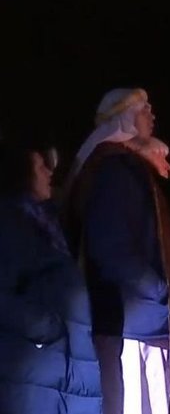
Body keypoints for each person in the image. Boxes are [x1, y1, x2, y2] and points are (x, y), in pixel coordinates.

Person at [65, 88, 170, 414]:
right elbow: (112, 247)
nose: (152, 115)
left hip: (144, 319)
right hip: (132, 322)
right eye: (144, 109)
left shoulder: (132, 167)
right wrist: (161, 290)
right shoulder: (114, 170)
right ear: (125, 116)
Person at [0, 139, 101, 413]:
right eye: (40, 166)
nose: (49, 172)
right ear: (18, 174)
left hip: (64, 368)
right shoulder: (9, 222)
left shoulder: (45, 221)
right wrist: (44, 328)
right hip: (37, 369)